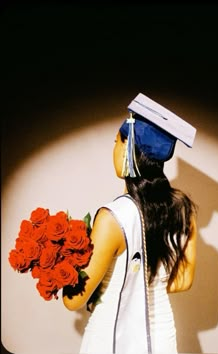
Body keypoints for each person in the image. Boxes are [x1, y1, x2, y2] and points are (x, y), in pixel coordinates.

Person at [62, 93, 198, 354]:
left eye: (116, 141)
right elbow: (183, 280)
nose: (113, 148)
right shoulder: (184, 211)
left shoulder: (112, 218)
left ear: (127, 148)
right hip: (162, 341)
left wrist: (57, 268)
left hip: (111, 341)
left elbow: (73, 300)